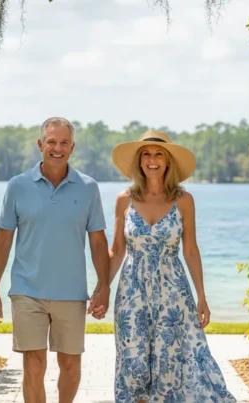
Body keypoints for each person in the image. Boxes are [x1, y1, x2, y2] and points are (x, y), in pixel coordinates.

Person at [90, 130, 236, 402]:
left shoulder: (184, 200)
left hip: (173, 293)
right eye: (146, 154)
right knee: (132, 361)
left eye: (158, 154)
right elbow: (117, 250)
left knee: (171, 362)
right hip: (132, 291)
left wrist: (201, 296)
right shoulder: (125, 199)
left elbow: (190, 250)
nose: (152, 160)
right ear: (139, 161)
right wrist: (102, 289)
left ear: (168, 161)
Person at [0, 117, 110, 403]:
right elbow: (3, 239)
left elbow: (98, 241)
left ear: (72, 147)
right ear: (40, 144)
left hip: (71, 292)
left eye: (64, 142)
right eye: (51, 142)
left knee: (71, 366)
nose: (57, 148)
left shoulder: (88, 188)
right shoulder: (18, 186)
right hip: (27, 290)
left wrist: (103, 286)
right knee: (33, 364)